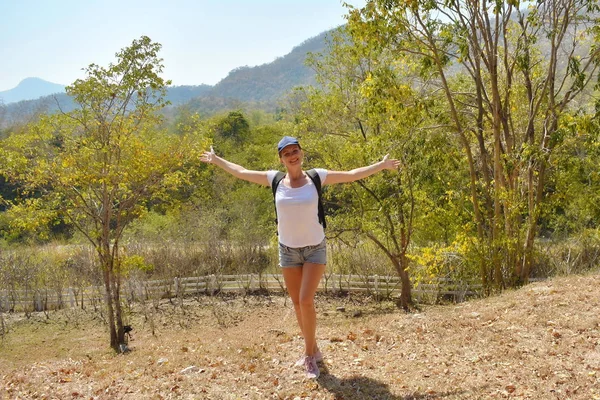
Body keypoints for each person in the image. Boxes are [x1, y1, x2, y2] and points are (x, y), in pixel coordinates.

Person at [200, 136, 400, 379]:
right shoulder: (274, 180)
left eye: (295, 150)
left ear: (301, 152)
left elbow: (351, 174)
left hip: (315, 248)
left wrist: (381, 165)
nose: (292, 155)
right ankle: (314, 350)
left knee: (306, 300)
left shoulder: (317, 177)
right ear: (281, 158)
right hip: (287, 250)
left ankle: (308, 356)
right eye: (287, 153)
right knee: (297, 304)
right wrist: (216, 159)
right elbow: (241, 171)